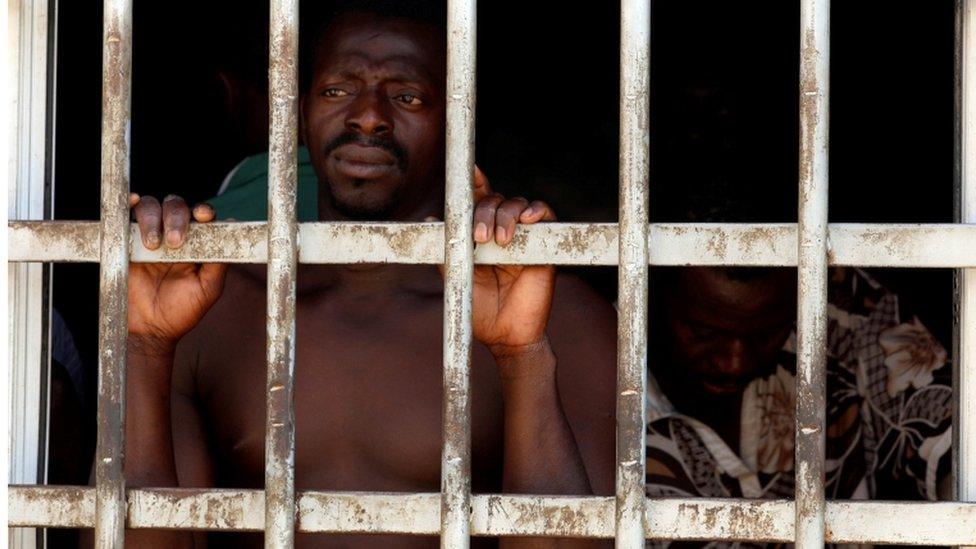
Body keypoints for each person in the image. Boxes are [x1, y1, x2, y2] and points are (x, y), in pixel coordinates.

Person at [123, 3, 617, 548]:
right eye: (339, 91)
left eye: (406, 97)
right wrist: (145, 348)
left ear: (458, 122)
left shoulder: (558, 313)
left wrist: (521, 357)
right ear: (301, 112)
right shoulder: (215, 308)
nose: (368, 117)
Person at [643, 193, 953, 548]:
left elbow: (949, 435)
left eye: (767, 331)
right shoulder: (596, 372)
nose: (736, 361)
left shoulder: (841, 312)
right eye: (703, 333)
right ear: (648, 290)